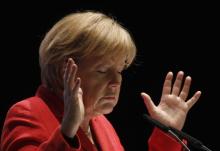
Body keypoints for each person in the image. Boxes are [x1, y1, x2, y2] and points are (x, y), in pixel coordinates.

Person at [1, 10, 201, 151]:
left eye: (120, 70)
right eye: (102, 70)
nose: (116, 82)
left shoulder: (101, 124)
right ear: (65, 71)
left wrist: (166, 134)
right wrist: (67, 131)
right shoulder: (28, 113)